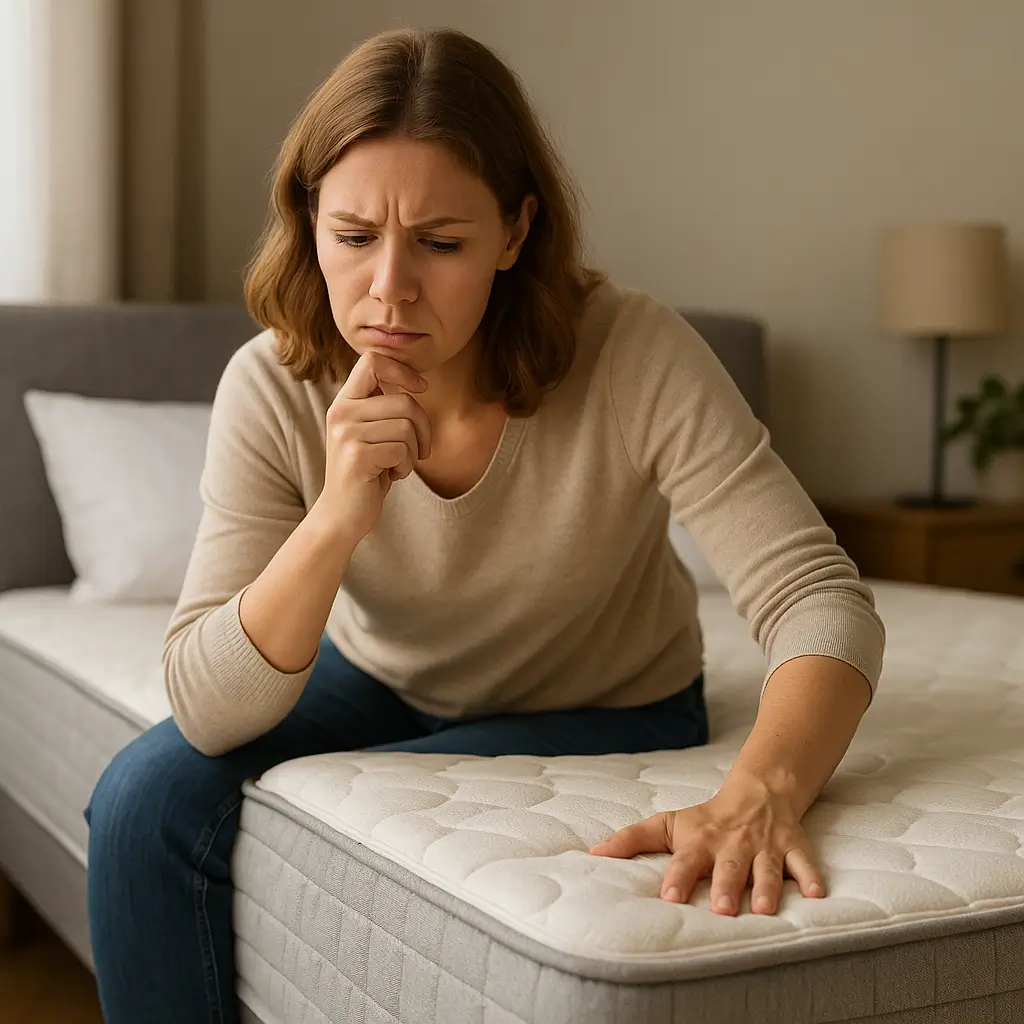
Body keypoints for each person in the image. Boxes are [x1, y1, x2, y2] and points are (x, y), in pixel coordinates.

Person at [84, 25, 885, 1024]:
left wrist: (763, 786)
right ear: (308, 220)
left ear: (515, 232)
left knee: (355, 812)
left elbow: (821, 600)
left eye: (441, 243)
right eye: (353, 235)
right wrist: (337, 516)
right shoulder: (272, 381)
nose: (387, 289)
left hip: (607, 702)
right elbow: (205, 703)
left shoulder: (632, 352)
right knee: (143, 798)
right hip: (378, 676)